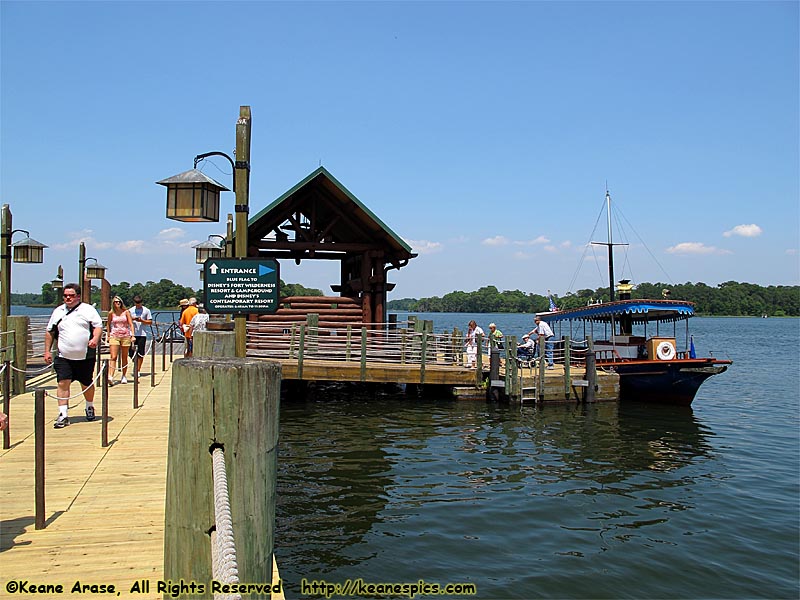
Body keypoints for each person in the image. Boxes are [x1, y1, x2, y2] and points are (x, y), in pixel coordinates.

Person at [44, 283, 103, 429]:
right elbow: (50, 331)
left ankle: (89, 406)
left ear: (78, 296)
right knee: (63, 382)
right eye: (65, 295)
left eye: (71, 295)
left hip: (85, 356)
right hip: (64, 356)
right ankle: (63, 414)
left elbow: (97, 326)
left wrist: (95, 339)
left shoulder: (88, 309)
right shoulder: (58, 311)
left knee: (86, 382)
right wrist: (47, 351)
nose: (68, 298)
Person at [107, 296, 135, 384]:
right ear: (113, 303)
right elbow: (108, 324)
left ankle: (124, 375)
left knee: (124, 357)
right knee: (113, 357)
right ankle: (110, 376)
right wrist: (108, 335)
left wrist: (132, 335)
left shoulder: (126, 312)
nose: (117, 303)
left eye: (119, 302)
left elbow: (131, 324)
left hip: (125, 335)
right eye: (115, 302)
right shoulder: (111, 313)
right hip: (114, 335)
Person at [128, 294, 153, 376]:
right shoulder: (130, 310)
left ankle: (138, 370)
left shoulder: (146, 310)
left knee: (141, 353)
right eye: (136, 302)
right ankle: (135, 362)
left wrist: (142, 320)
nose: (137, 304)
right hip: (132, 334)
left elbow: (150, 322)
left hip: (142, 334)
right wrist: (133, 319)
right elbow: (126, 320)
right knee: (131, 352)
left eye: (139, 302)